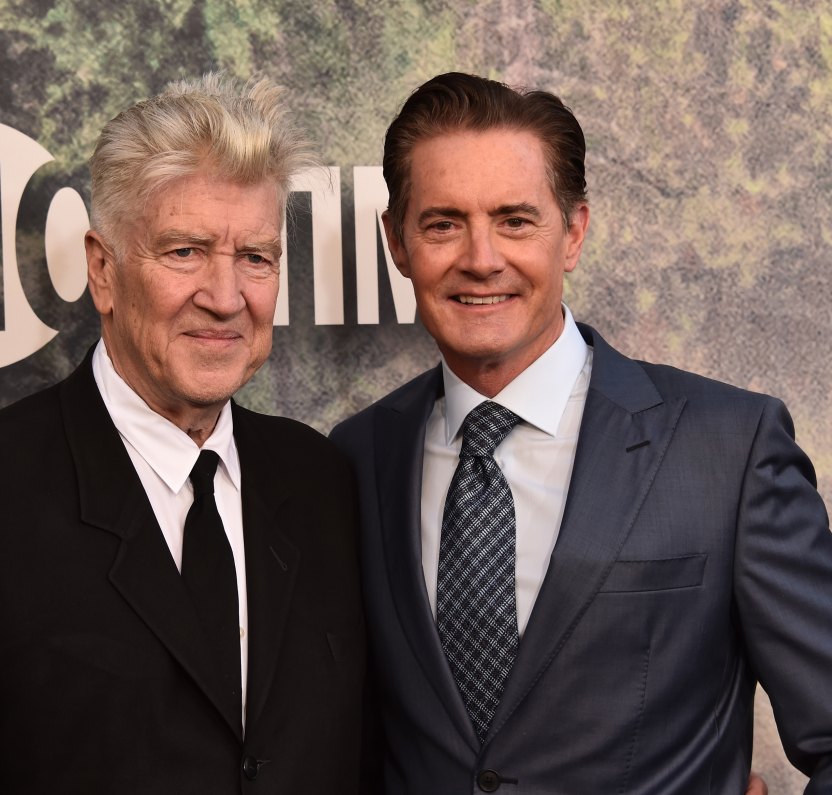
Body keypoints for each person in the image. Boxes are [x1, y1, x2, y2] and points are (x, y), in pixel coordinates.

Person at [0, 74, 366, 794]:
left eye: (255, 258)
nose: (226, 296)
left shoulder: (320, 480)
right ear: (103, 270)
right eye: (185, 251)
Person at [330, 72, 832, 794]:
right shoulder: (356, 457)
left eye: (515, 220)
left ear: (573, 232)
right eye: (443, 223)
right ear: (398, 243)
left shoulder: (731, 449)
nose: (480, 257)